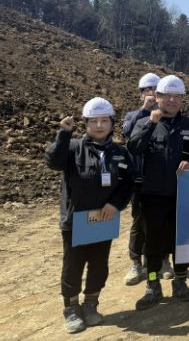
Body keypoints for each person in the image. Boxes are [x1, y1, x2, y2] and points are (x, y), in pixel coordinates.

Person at [44, 97, 134, 334]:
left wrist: (115, 204)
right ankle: (71, 309)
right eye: (93, 121)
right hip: (76, 220)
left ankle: (91, 304)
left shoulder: (120, 153)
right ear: (85, 124)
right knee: (73, 265)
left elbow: (128, 183)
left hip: (104, 219)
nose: (99, 125)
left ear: (112, 123)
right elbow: (53, 162)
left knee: (99, 264)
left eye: (104, 120)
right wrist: (63, 134)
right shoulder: (73, 147)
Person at [128, 75, 189, 310]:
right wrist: (151, 124)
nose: (172, 100)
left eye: (177, 96)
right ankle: (152, 285)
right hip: (152, 195)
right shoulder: (145, 122)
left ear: (182, 99)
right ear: (157, 97)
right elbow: (134, 147)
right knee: (152, 244)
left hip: (181, 195)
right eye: (167, 96)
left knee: (180, 241)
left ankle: (180, 281)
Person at [122, 73, 173, 285]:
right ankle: (136, 262)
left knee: (164, 221)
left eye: (154, 89)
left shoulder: (167, 117)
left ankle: (164, 260)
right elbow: (127, 133)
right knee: (138, 221)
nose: (150, 92)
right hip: (139, 178)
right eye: (146, 89)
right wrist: (145, 111)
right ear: (140, 93)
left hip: (161, 180)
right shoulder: (132, 115)